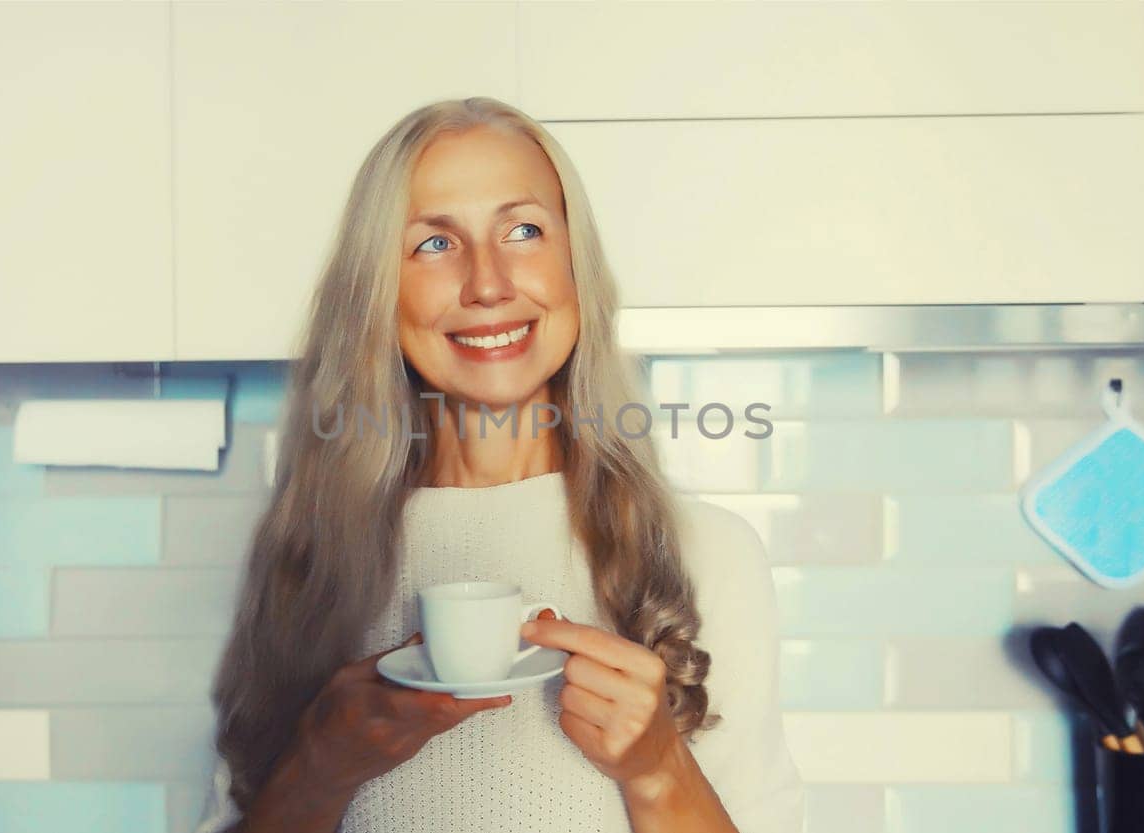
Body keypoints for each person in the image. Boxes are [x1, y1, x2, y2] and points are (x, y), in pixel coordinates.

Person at [194, 96, 804, 833]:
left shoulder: (708, 552)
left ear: (575, 267)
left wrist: (657, 767)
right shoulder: (302, 560)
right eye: (433, 244)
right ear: (377, 296)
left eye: (524, 230)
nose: (488, 283)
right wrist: (317, 768)